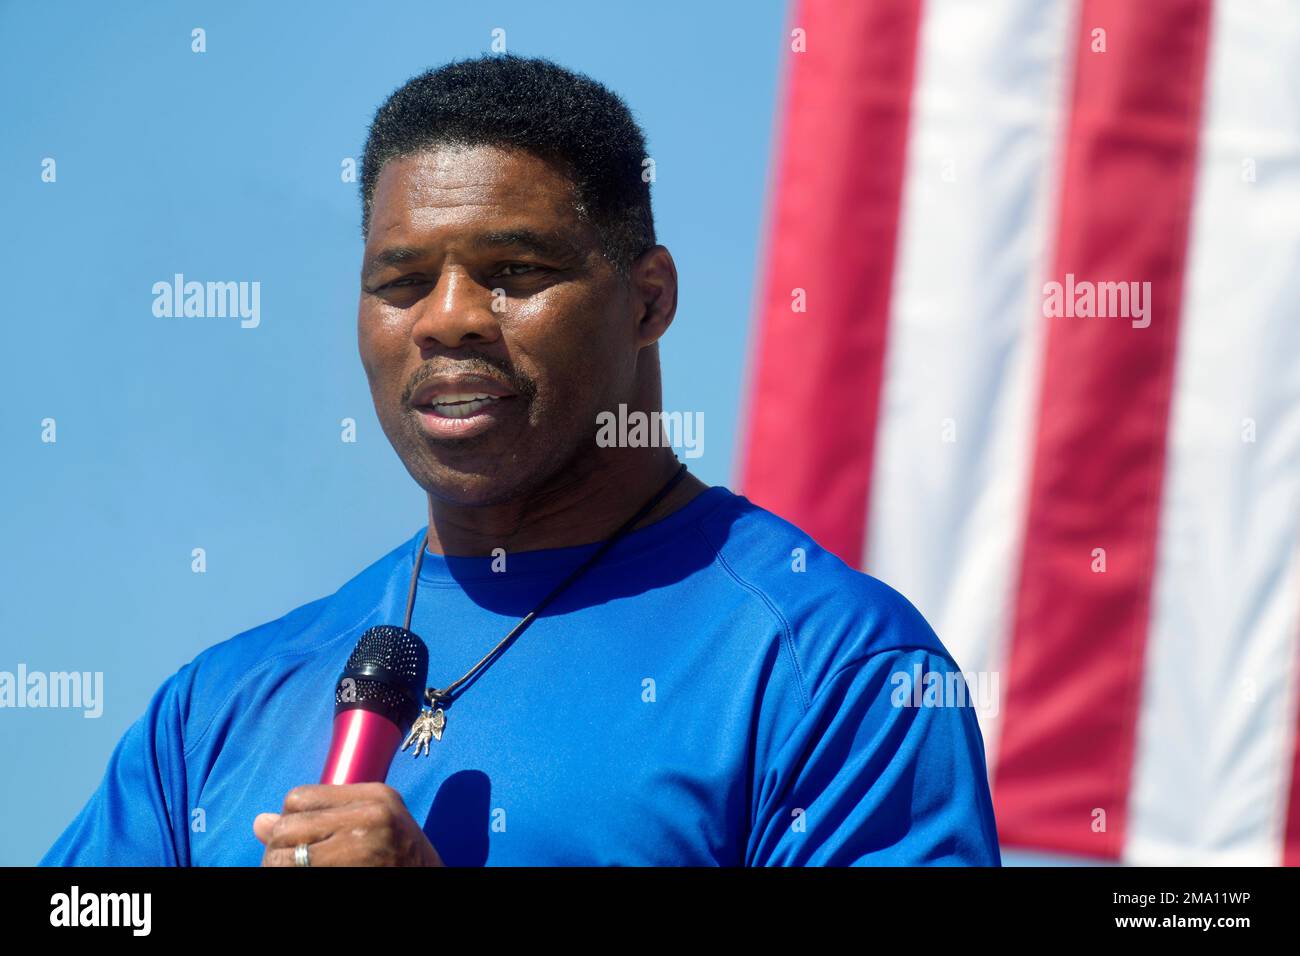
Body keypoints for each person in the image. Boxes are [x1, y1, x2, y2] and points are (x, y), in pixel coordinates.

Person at [39, 53, 1000, 867]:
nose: (449, 319)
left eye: (515, 275)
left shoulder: (836, 671)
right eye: (402, 283)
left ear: (650, 300)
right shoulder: (213, 710)